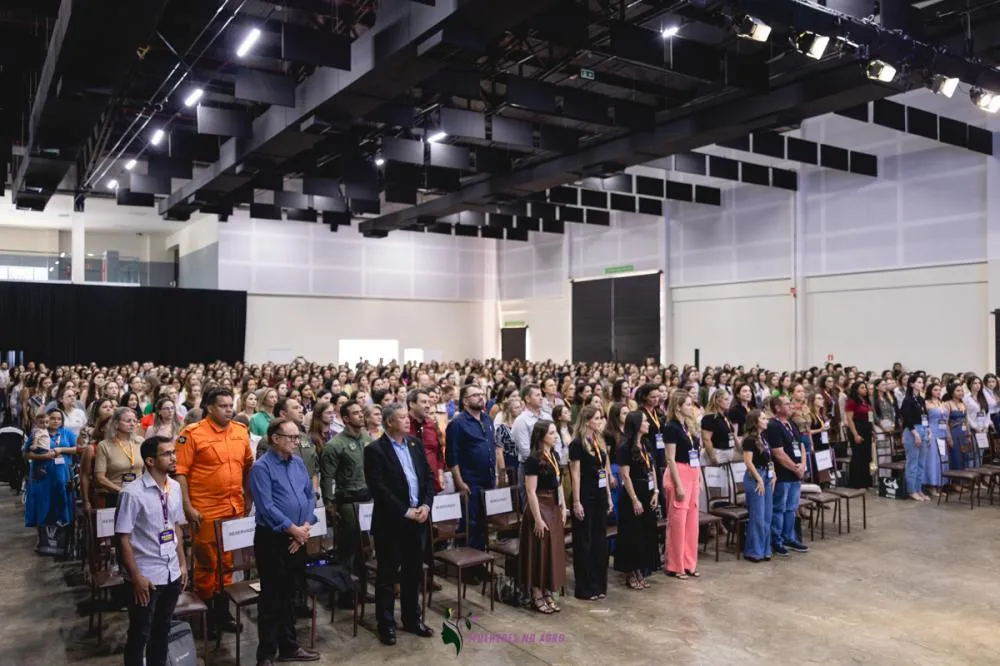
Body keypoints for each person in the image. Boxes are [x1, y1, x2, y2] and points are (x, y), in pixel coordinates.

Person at [175, 386, 254, 633]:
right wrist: (187, 506)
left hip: (234, 507)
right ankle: (205, 616)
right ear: (209, 407)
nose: (229, 410)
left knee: (227, 563)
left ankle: (222, 613)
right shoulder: (192, 434)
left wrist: (249, 497)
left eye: (231, 406)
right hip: (205, 510)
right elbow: (180, 473)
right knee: (208, 565)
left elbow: (248, 467)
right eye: (223, 406)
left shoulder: (240, 431)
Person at [249, 419, 321, 665]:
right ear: (275, 438)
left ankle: (289, 646)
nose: (296, 441)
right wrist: (294, 530)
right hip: (273, 539)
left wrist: (305, 527)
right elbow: (266, 507)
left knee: (290, 594)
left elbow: (309, 495)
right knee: (271, 597)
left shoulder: (298, 462)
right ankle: (266, 653)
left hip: (298, 535)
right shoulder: (261, 468)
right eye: (291, 437)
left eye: (297, 437)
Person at [363, 403, 434, 647]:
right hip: (391, 522)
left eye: (406, 416)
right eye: (401, 417)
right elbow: (379, 488)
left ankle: (412, 619)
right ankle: (386, 625)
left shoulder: (414, 444)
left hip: (418, 519)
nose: (407, 420)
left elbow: (427, 477)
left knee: (413, 572)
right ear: (389, 423)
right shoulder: (375, 450)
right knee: (387, 575)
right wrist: (405, 511)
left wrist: (426, 506)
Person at [115, 436, 187, 666]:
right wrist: (136, 576)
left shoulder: (175, 487)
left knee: (162, 629)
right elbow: (123, 538)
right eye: (167, 454)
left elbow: (176, 527)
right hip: (146, 576)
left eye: (173, 452)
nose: (173, 457)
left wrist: (182, 563)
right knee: (140, 633)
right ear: (150, 461)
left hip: (171, 571)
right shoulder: (132, 493)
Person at [320, 401, 372, 605]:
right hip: (348, 502)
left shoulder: (367, 438)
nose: (361, 415)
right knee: (347, 551)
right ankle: (345, 594)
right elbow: (327, 478)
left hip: (367, 500)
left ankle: (363, 591)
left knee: (365, 549)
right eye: (356, 413)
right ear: (346, 418)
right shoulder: (335, 445)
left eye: (361, 412)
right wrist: (329, 505)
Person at [445, 385, 501, 554]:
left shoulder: (487, 419)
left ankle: (480, 559)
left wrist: (496, 473)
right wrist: (459, 482)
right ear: (465, 401)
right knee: (470, 524)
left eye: (482, 394)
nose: (481, 397)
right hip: (470, 482)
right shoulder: (457, 424)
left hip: (488, 479)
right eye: (475, 395)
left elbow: (492, 447)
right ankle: (467, 561)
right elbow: (452, 456)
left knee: (483, 523)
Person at [519, 420, 566, 613]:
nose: (556, 436)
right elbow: (530, 491)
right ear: (541, 436)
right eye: (552, 433)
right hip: (540, 506)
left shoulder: (554, 455)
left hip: (553, 506)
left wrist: (563, 507)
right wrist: (538, 519)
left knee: (551, 552)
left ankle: (548, 591)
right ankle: (536, 593)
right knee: (538, 551)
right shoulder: (533, 459)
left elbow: (559, 484)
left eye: (556, 432)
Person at [569, 405, 612, 601]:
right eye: (596, 418)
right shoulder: (577, 444)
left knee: (599, 541)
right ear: (587, 421)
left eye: (600, 417)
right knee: (584, 541)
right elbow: (575, 474)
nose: (600, 421)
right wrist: (576, 502)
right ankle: (584, 587)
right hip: (585, 494)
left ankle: (598, 584)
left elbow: (604, 471)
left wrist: (609, 496)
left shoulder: (598, 441)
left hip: (600, 494)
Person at [614, 411, 659, 590]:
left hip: (648, 491)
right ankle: (630, 571)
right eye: (645, 421)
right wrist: (634, 499)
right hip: (633, 492)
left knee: (644, 533)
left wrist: (656, 491)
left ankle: (640, 568)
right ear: (636, 424)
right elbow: (625, 475)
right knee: (631, 533)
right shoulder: (624, 446)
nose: (648, 423)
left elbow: (652, 467)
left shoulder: (646, 443)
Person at [662, 391, 702, 579]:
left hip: (692, 472)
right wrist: (678, 485)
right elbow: (670, 458)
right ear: (678, 407)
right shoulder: (671, 427)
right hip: (679, 473)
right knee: (678, 521)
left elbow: (696, 455)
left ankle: (689, 563)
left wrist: (699, 477)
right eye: (687, 404)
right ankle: (675, 565)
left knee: (692, 522)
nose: (691, 407)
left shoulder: (687, 425)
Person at [767, 396, 809, 556]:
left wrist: (803, 465)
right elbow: (778, 453)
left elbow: (801, 445)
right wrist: (795, 468)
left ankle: (789, 537)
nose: (790, 406)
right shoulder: (773, 426)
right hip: (783, 474)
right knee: (779, 508)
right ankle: (777, 540)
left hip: (796, 474)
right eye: (786, 404)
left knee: (791, 508)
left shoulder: (791, 424)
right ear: (777, 408)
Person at [741, 409, 775, 562]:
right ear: (755, 422)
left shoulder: (764, 438)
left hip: (767, 475)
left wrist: (774, 474)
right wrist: (759, 479)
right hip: (755, 476)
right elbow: (748, 462)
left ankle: (765, 549)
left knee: (767, 515)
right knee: (758, 516)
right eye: (763, 418)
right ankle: (754, 551)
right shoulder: (749, 440)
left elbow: (768, 458)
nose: (766, 420)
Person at [94, 407, 144, 508]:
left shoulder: (140, 442)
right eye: (128, 421)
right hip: (116, 495)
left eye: (134, 421)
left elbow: (149, 470)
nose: (132, 424)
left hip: (139, 494)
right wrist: (122, 492)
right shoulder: (104, 445)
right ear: (116, 423)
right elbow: (100, 478)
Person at [408, 389, 445, 492]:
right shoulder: (402, 425)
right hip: (411, 485)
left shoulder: (431, 425)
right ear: (412, 404)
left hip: (432, 483)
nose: (428, 405)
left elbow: (438, 452)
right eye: (424, 402)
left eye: (429, 402)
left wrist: (440, 472)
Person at [901, 376, 930, 502]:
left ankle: (919, 489)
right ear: (911, 384)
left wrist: (928, 430)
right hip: (912, 431)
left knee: (921, 463)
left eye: (922, 382)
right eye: (919, 382)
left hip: (923, 429)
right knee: (912, 462)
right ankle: (911, 490)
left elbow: (925, 416)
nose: (921, 384)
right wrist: (915, 433)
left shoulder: (921, 399)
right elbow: (907, 419)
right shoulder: (907, 400)